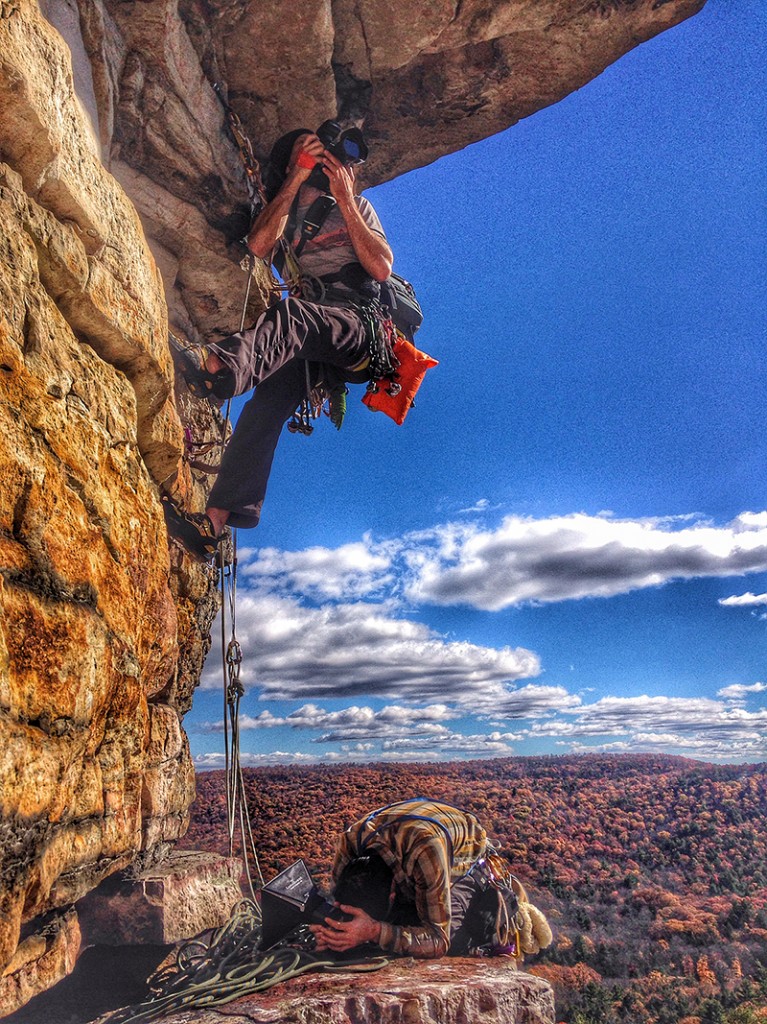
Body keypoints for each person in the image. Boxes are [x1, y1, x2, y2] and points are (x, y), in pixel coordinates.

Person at [164, 125, 395, 560]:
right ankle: (213, 523)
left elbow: (381, 268)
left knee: (292, 316)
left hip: (358, 325)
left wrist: (345, 200)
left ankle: (217, 370)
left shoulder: (356, 206)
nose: (324, 163)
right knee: (265, 407)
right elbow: (257, 246)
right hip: (311, 335)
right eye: (309, 156)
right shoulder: (284, 216)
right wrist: (294, 178)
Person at [309, 798, 553, 960]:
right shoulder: (350, 843)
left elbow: (438, 940)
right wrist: (333, 930)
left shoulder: (425, 851)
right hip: (412, 852)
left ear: (394, 892)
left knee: (444, 947)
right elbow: (340, 900)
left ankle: (493, 923)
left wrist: (372, 930)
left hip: (463, 866)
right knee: (398, 930)